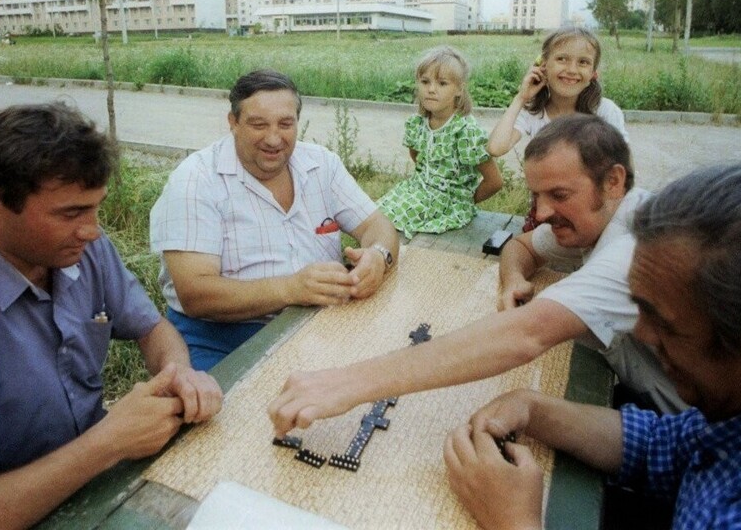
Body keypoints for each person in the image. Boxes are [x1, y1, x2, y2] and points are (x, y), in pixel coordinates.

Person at [0, 102, 223, 528]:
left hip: (89, 482)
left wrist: (178, 372)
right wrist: (106, 445)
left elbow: (152, 327)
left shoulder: (78, 246)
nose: (92, 230)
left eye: (95, 207)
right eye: (70, 213)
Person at [444, 162, 741, 530]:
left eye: (665, 325)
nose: (640, 333)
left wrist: (515, 521)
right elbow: (663, 445)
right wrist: (533, 408)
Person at [268, 115, 683, 439]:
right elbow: (520, 247)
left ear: (613, 181)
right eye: (536, 196)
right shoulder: (598, 217)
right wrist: (512, 281)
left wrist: (344, 384)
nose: (539, 213)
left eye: (558, 195)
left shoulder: (635, 249)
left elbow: (523, 336)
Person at [150, 69, 399, 371]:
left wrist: (378, 256)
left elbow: (377, 225)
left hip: (314, 322)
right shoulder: (195, 180)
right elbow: (196, 294)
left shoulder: (321, 164)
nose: (273, 138)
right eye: (258, 124)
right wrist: (291, 289)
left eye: (285, 124)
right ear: (233, 123)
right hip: (217, 338)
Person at [487, 26, 627, 232]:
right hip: (547, 215)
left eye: (583, 62)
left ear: (593, 73)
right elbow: (496, 148)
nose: (571, 69)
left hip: (594, 213)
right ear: (542, 65)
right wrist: (521, 97)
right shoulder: (533, 112)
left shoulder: (605, 111)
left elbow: (623, 172)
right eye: (562, 59)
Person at [377, 46, 503, 238]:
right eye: (425, 81)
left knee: (390, 221)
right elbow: (418, 157)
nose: (431, 89)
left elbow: (494, 182)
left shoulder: (465, 131)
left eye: (442, 83)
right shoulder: (417, 124)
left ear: (459, 89)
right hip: (417, 189)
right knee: (374, 213)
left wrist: (465, 203)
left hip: (448, 201)